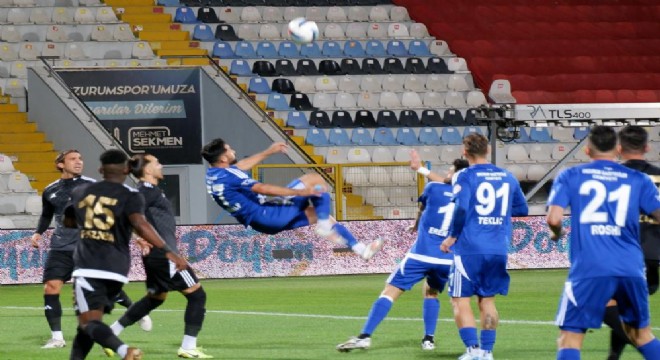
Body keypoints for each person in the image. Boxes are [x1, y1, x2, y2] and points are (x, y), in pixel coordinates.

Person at [546, 125, 660, 360]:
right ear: (616, 150)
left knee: (570, 337)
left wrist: (556, 233)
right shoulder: (638, 179)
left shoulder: (571, 175)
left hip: (590, 267)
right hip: (631, 268)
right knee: (642, 335)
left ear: (587, 150)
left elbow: (554, 218)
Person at [336, 156, 469, 352]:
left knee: (389, 292)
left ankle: (364, 336)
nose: (446, 174)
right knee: (431, 293)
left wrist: (415, 225)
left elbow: (423, 208)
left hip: (420, 255)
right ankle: (428, 339)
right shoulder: (468, 197)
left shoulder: (433, 188)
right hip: (446, 259)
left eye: (449, 171)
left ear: (453, 175)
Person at [66, 149, 187, 360]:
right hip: (117, 271)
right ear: (126, 169)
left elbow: (68, 219)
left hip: (88, 266)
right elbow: (141, 224)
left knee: (88, 323)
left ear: (100, 169)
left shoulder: (82, 191)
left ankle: (125, 351)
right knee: (87, 326)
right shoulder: (132, 196)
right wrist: (168, 251)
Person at [30, 150, 151, 349]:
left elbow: (114, 212)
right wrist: (38, 233)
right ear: (61, 164)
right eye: (73, 159)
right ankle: (57, 338)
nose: (79, 162)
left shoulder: (91, 185)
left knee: (106, 291)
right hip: (60, 247)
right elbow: (46, 215)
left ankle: (136, 311)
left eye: (81, 158)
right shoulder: (50, 190)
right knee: (51, 287)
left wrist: (137, 236)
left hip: (89, 246)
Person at [201, 139, 384, 260]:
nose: (233, 150)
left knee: (321, 215)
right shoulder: (229, 175)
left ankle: (362, 250)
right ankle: (323, 226)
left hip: (261, 222)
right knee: (314, 180)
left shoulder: (214, 174)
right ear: (224, 158)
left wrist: (268, 152)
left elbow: (240, 167)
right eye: (229, 149)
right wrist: (299, 193)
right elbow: (262, 188)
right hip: (268, 213)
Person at [108, 154, 212, 359]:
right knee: (197, 295)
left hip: (156, 256)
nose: (161, 165)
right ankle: (188, 347)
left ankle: (112, 333)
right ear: (147, 170)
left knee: (156, 298)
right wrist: (138, 238)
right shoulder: (145, 191)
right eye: (156, 163)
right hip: (165, 255)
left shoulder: (149, 192)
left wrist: (138, 237)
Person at [439, 133, 528, 360]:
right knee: (487, 300)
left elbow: (461, 209)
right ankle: (487, 352)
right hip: (498, 247)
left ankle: (472, 350)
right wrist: (497, 213)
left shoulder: (464, 175)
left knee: (459, 299)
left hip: (470, 246)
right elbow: (522, 209)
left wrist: (452, 237)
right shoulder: (507, 177)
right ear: (487, 151)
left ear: (464, 152)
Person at [602, 126, 660, 360]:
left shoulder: (613, 177)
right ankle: (613, 357)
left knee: (603, 305)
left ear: (618, 149)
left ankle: (650, 349)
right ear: (646, 147)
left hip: (624, 252)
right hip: (654, 253)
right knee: (627, 310)